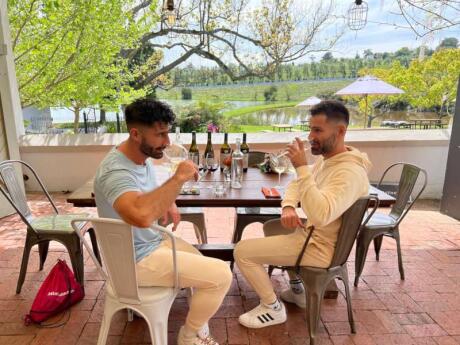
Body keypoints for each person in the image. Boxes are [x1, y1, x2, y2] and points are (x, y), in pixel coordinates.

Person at [94, 99, 232, 345]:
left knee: (204, 265)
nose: (167, 142)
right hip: (133, 261)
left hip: (152, 243)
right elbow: (141, 215)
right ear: (135, 134)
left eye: (167, 132)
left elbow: (145, 191)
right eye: (160, 134)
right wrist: (178, 180)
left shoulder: (137, 156)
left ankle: (197, 327)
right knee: (222, 275)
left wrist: (169, 201)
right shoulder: (116, 172)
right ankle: (188, 337)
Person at [234, 100, 372, 328]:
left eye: (317, 130)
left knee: (242, 251)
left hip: (320, 247)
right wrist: (288, 206)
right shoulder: (329, 161)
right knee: (272, 226)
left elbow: (320, 215)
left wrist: (301, 166)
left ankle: (272, 307)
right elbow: (298, 185)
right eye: (310, 129)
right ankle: (298, 290)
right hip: (314, 235)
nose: (310, 136)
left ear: (340, 131)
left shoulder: (348, 172)